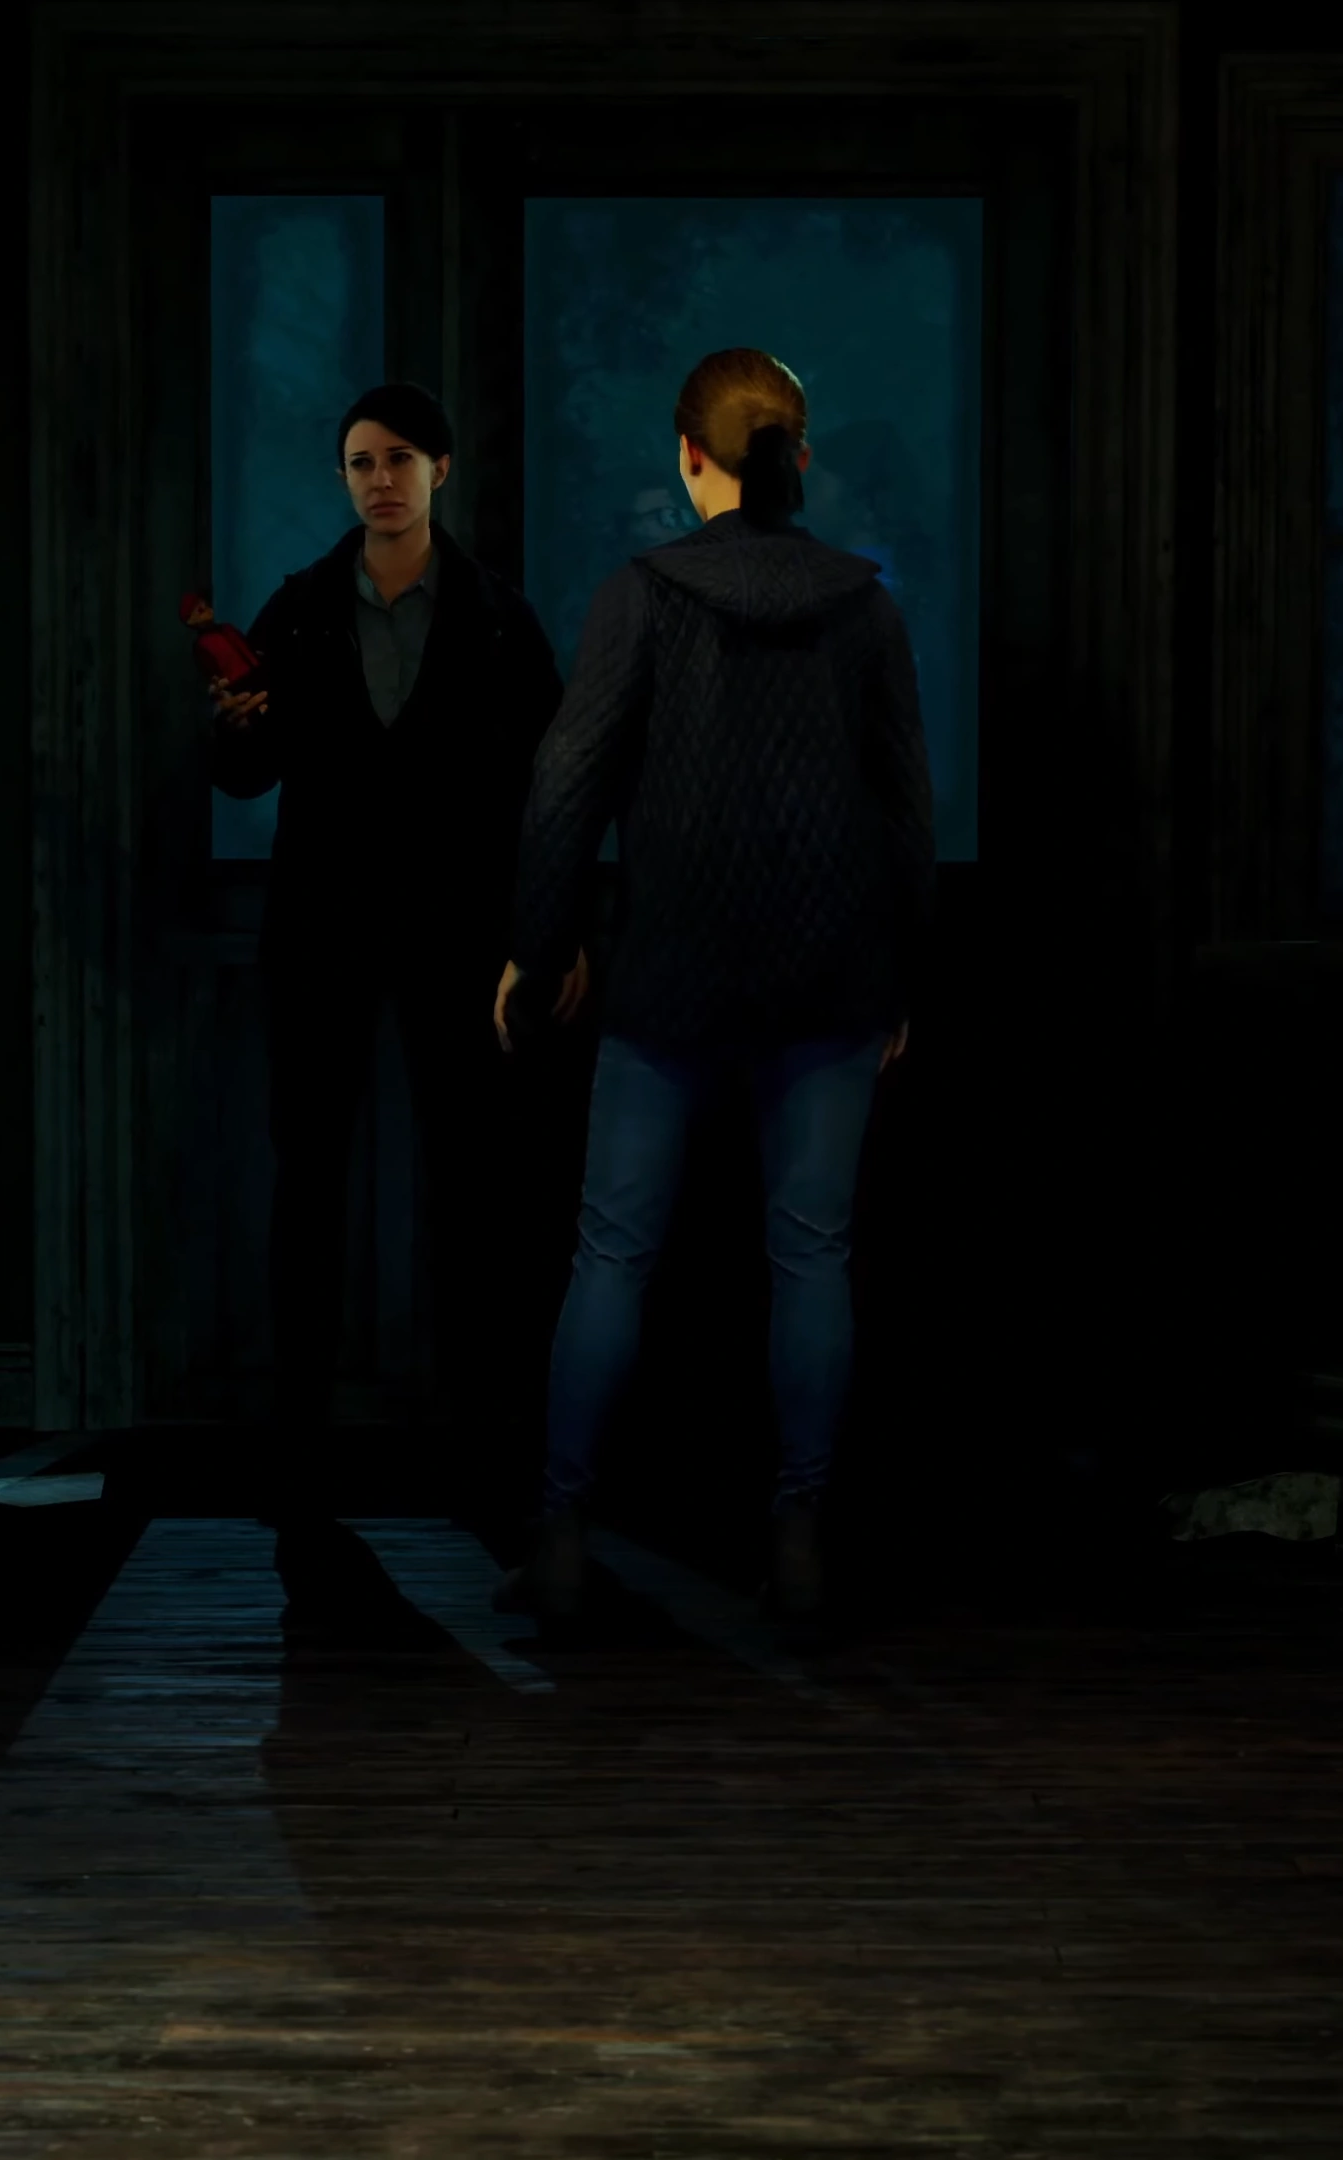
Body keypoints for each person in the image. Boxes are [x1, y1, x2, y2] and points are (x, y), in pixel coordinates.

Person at [490, 347, 935, 1629]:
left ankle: (561, 1537)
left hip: (670, 978)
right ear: (800, 455)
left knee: (612, 1254)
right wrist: (901, 972)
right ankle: (800, 1544)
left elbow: (565, 782)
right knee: (812, 1258)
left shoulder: (642, 596)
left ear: (690, 457)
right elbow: (905, 811)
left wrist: (537, 943)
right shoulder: (865, 607)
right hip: (830, 981)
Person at [206, 383, 581, 1534]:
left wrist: (552, 924)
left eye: (400, 459)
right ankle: (301, 1446)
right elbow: (244, 775)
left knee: (471, 1182)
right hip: (322, 928)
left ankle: (481, 1438)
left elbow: (554, 787)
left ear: (441, 470)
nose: (380, 480)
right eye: (362, 461)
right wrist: (235, 719)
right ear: (343, 477)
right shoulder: (300, 609)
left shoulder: (499, 619)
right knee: (308, 1179)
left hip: (456, 931)